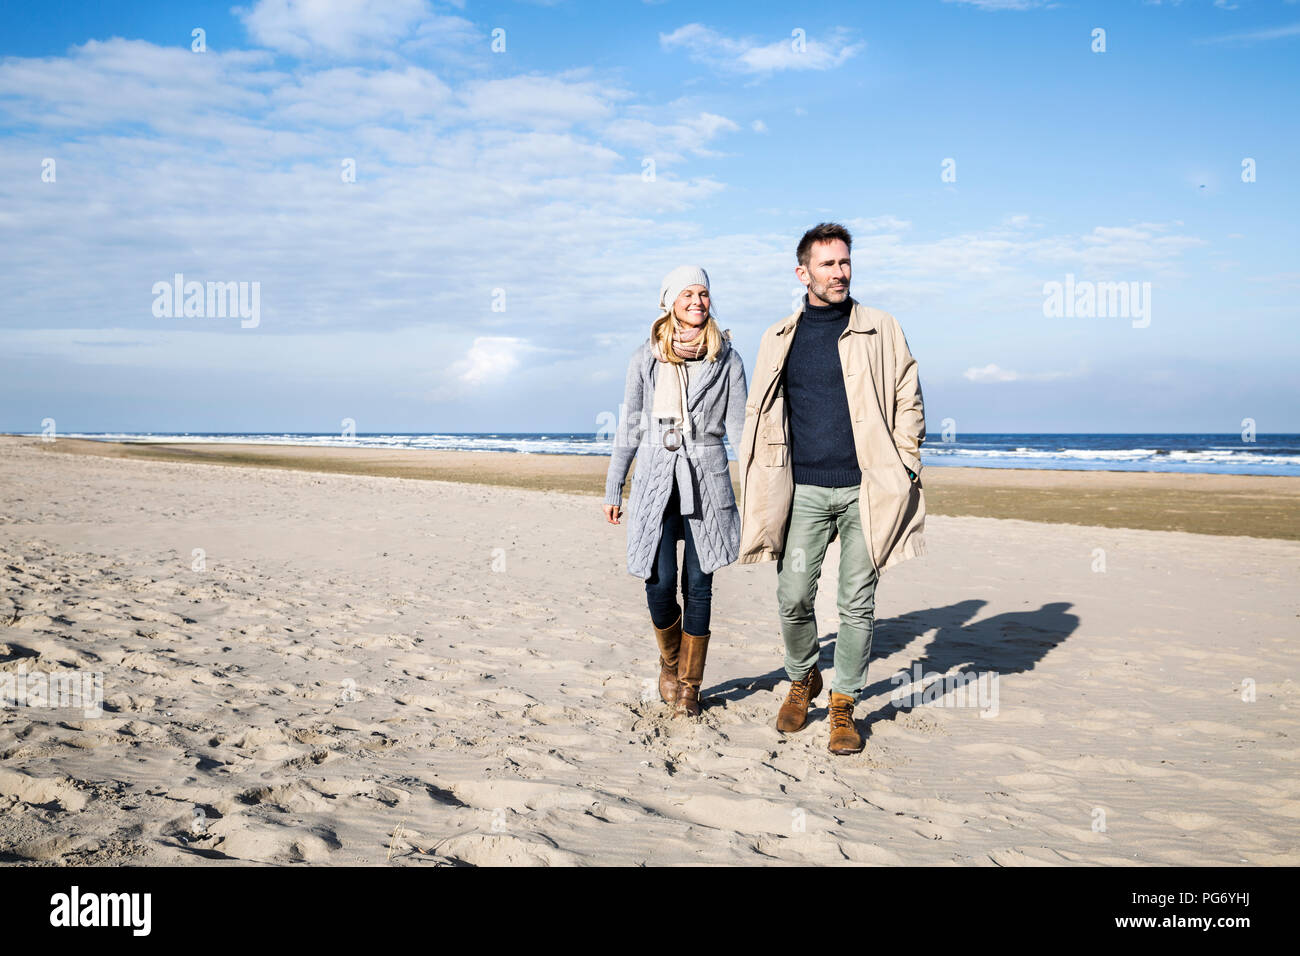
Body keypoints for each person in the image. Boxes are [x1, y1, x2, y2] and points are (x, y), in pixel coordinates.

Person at [737, 223, 926, 754]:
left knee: (855, 604)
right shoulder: (779, 336)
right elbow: (763, 414)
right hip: (803, 490)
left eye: (845, 263)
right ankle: (804, 678)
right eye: (828, 265)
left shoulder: (881, 327)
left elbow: (908, 394)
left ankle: (843, 703)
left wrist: (907, 464)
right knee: (793, 594)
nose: (840, 273)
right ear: (803, 273)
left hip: (868, 488)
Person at [603, 266, 748, 717]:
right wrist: (615, 486)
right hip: (654, 478)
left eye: (704, 293)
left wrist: (761, 490)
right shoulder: (644, 357)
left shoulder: (728, 358)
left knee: (699, 585)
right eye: (688, 293)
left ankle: (689, 684)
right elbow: (629, 424)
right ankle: (670, 660)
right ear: (669, 301)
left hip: (707, 478)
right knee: (660, 583)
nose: (698, 301)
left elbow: (742, 431)